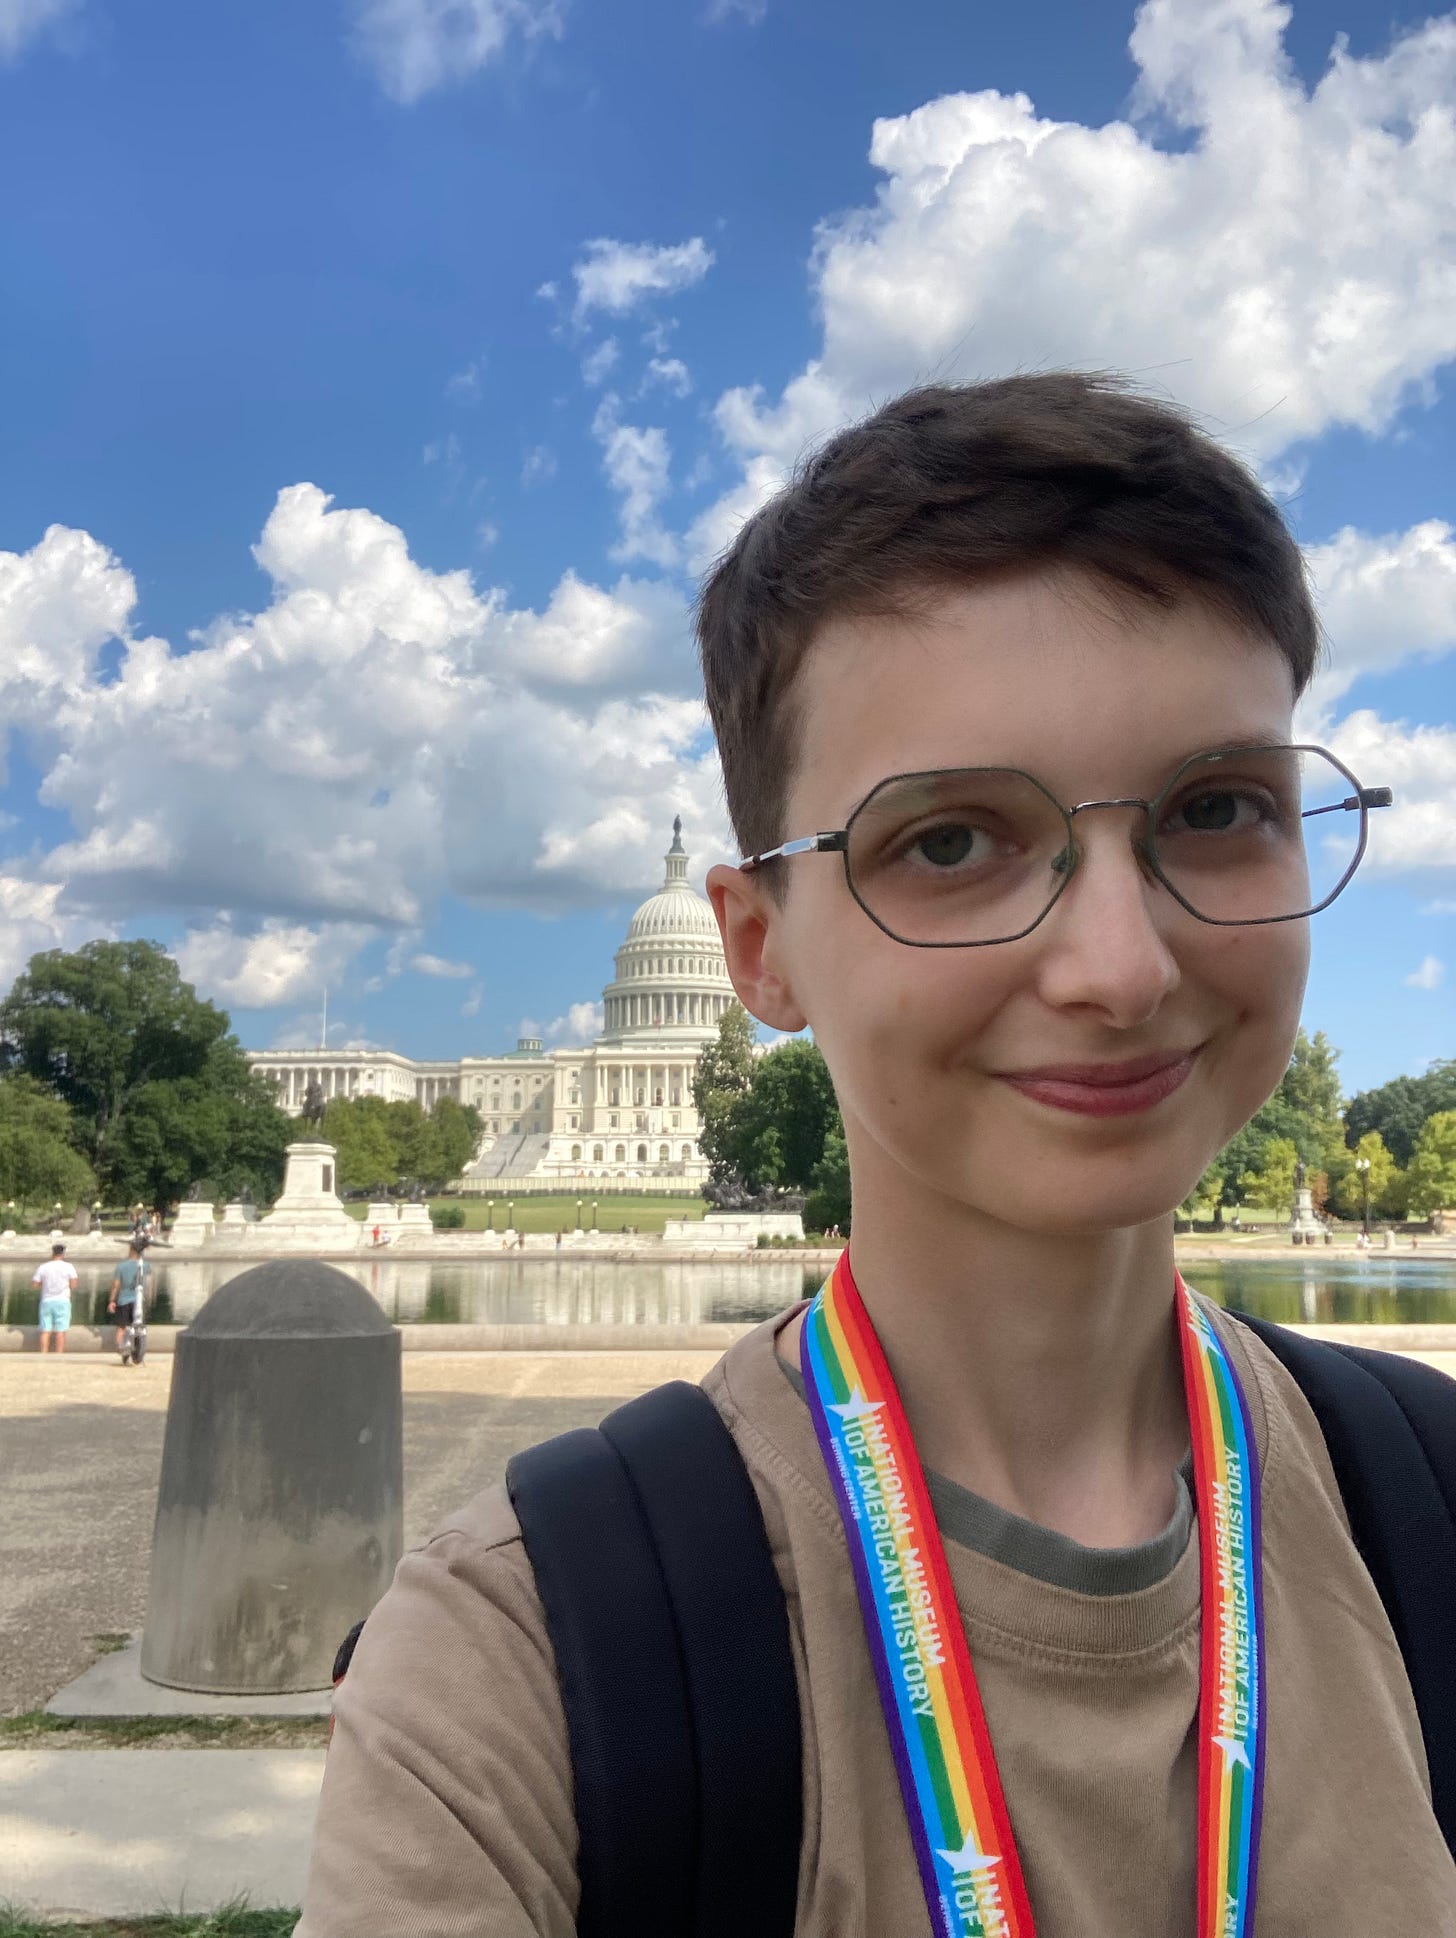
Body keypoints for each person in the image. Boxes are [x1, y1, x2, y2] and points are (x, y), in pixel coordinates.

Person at [296, 375, 1455, 1934]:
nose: (1118, 966)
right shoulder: (522, 1661)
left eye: (1218, 804)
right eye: (953, 840)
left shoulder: (1430, 1509)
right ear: (755, 951)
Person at [33, 1241, 78, 1355]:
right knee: (61, 1330)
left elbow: (34, 1284)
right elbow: (73, 1285)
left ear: (52, 1253)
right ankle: (59, 1354)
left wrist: (45, 1285)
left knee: (45, 1329)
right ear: (63, 1254)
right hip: (63, 1300)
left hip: (46, 1300)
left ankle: (43, 1353)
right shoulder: (69, 1267)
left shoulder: (43, 1267)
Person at [107, 1241, 148, 1363]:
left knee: (121, 1327)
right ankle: (138, 1350)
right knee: (139, 1326)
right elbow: (150, 1284)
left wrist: (112, 1301)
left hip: (124, 1300)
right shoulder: (145, 1266)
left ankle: (122, 1350)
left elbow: (116, 1285)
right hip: (139, 1301)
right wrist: (148, 1299)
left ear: (131, 1250)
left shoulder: (121, 1266)